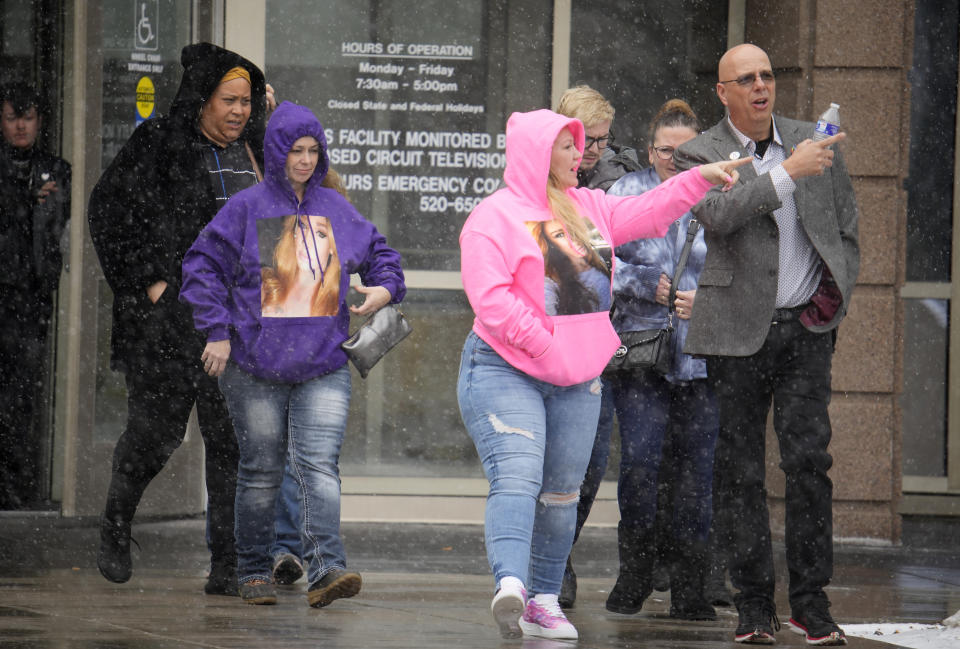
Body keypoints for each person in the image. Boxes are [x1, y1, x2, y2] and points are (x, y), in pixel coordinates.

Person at [457, 107, 749, 640]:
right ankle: (512, 585)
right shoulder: (492, 217)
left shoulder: (589, 206)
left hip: (576, 376)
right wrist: (546, 344)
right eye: (568, 147)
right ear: (541, 156)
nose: (581, 154)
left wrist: (699, 178)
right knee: (520, 477)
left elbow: (652, 208)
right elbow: (491, 300)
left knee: (563, 492)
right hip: (506, 369)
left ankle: (544, 600)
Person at [180, 101, 405, 607]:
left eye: (313, 150)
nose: (304, 160)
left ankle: (327, 569)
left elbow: (384, 258)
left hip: (323, 367)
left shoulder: (336, 208)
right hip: (253, 367)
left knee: (319, 467)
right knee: (260, 470)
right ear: (276, 151)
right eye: (295, 150)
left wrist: (385, 291)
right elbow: (200, 268)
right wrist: (216, 331)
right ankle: (253, 570)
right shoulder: (246, 207)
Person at [674, 43, 858, 646]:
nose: (760, 87)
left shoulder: (815, 138)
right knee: (738, 472)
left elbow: (845, 226)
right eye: (745, 79)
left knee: (809, 465)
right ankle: (754, 604)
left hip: (805, 330)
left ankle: (811, 602)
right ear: (722, 92)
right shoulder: (696, 152)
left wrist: (832, 302)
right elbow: (720, 214)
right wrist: (785, 172)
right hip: (736, 333)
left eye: (767, 76)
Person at [87, 42, 271, 595]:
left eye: (246, 102)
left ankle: (226, 566)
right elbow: (108, 210)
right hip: (169, 321)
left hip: (236, 325)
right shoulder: (160, 143)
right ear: (201, 100)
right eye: (229, 100)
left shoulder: (257, 152)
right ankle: (116, 526)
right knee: (156, 435)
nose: (240, 111)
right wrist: (150, 282)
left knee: (229, 444)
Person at [596, 98, 719, 620]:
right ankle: (637, 572)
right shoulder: (624, 192)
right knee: (641, 467)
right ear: (650, 150)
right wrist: (644, 283)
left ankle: (691, 584)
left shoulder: (719, 193)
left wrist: (708, 299)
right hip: (642, 353)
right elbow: (594, 260)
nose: (675, 159)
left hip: (703, 355)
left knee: (698, 475)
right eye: (666, 150)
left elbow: (747, 271)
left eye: (686, 150)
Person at [0, 82, 70, 509]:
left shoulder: (56, 169)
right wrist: (23, 200)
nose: (21, 125)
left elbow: (58, 232)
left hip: (33, 300)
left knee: (23, 396)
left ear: (40, 121)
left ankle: (18, 486)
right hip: (7, 293)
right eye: (13, 117)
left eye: (28, 117)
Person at [557, 85, 642, 191]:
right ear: (561, 133)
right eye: (587, 138)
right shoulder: (541, 168)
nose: (595, 150)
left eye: (602, 139)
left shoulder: (615, 184)